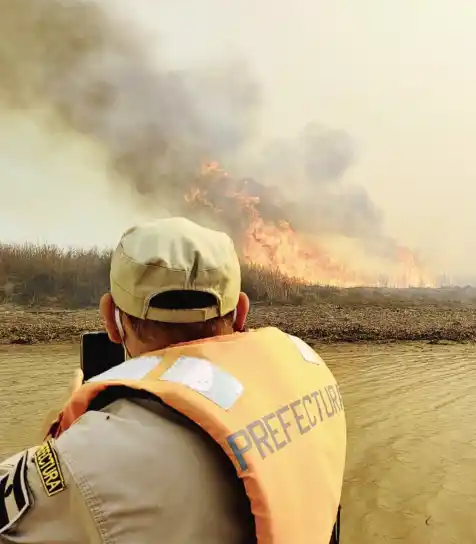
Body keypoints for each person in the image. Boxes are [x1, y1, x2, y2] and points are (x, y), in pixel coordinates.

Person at [0, 217, 347, 543]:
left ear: (110, 318)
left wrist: (55, 440)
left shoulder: (89, 454)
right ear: (241, 312)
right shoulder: (313, 370)